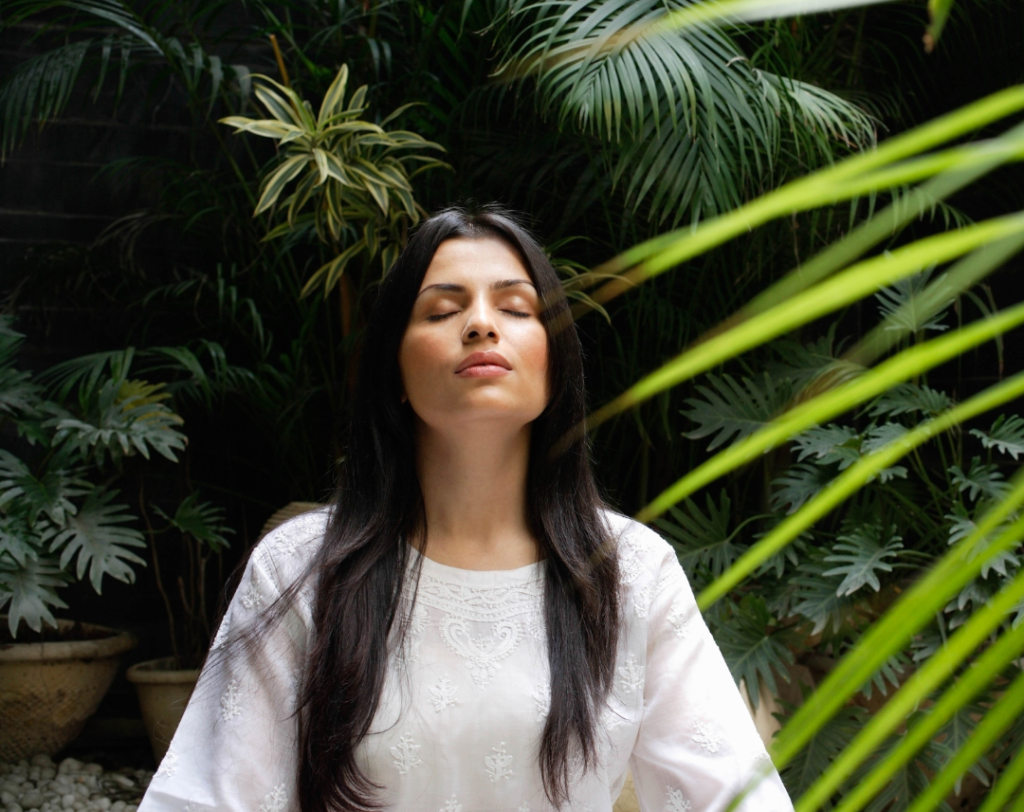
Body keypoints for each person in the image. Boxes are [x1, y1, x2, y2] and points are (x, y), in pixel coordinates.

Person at [138, 206, 794, 812]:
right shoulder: (302, 568)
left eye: (515, 308)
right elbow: (209, 799)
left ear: (554, 361)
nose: (480, 324)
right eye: (441, 310)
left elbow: (736, 795)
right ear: (392, 368)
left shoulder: (628, 572)